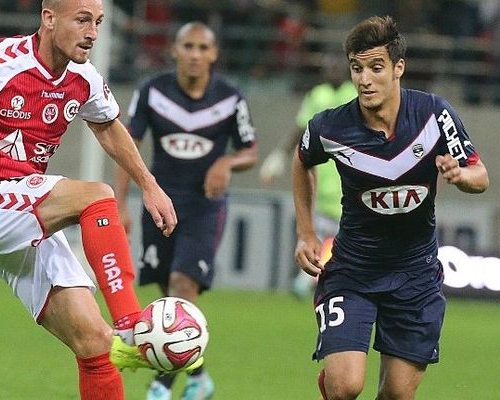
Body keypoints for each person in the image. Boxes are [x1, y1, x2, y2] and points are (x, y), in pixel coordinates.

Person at [0, 1, 200, 399]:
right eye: (82, 20)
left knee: (94, 342)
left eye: (98, 22)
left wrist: (149, 184)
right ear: (48, 18)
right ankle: (131, 320)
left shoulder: (84, 78)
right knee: (97, 196)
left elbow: (108, 126)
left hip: (25, 216)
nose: (93, 33)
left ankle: (119, 330)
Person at [292, 15, 489, 400]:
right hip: (353, 270)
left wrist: (462, 177)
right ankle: (333, 385)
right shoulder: (329, 126)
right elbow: (302, 161)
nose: (365, 79)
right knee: (347, 385)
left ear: (399, 68)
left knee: (397, 395)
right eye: (357, 67)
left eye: (376, 67)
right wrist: (305, 232)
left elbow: (479, 174)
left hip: (415, 276)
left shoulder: (433, 115)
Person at [115, 21, 258, 400]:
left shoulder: (230, 97)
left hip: (204, 207)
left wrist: (226, 163)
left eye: (202, 48)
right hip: (160, 201)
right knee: (168, 300)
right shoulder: (152, 92)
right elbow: (126, 145)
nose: (195, 54)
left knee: (182, 286)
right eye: (188, 46)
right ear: (175, 51)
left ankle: (162, 383)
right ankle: (199, 378)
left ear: (213, 54)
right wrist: (118, 204)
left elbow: (250, 151)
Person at [260, 54, 356, 297]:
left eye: (337, 67)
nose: (333, 71)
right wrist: (278, 156)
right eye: (329, 67)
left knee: (344, 237)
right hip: (321, 176)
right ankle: (307, 279)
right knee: (318, 232)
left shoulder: (355, 93)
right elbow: (300, 128)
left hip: (348, 175)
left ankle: (321, 280)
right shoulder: (317, 95)